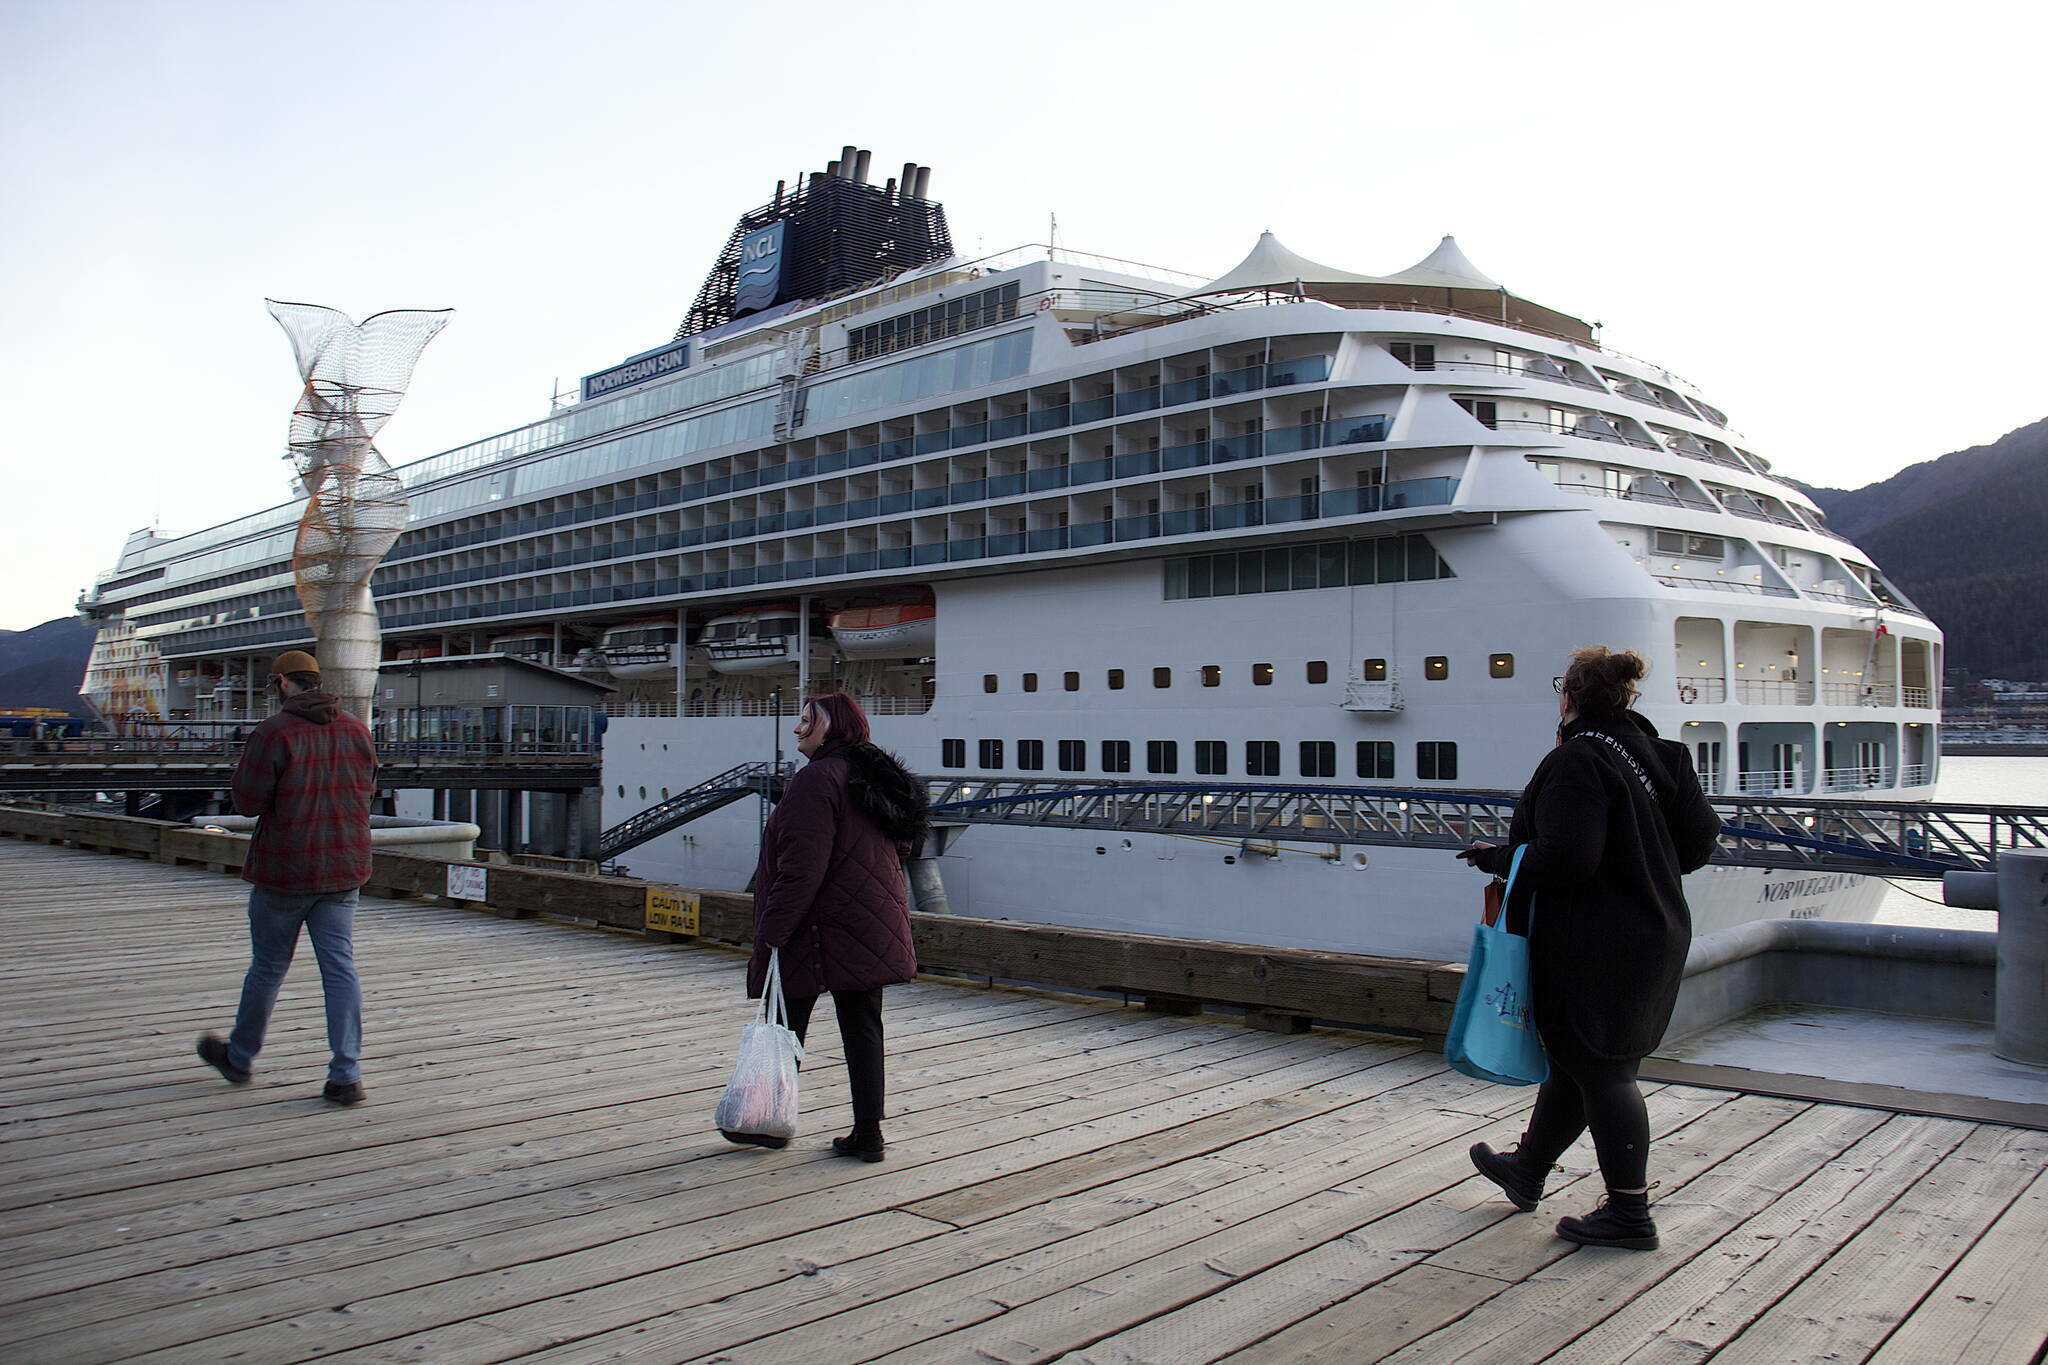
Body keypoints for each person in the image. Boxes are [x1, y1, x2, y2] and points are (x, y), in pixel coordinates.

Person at [1457, 646, 1720, 1250]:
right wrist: (1638, 868)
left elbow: (1569, 858)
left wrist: (1495, 858)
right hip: (1655, 927)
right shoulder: (1664, 756)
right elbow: (1698, 844)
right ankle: (1527, 1170)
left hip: (1591, 939)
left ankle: (1630, 1214)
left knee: (1604, 1071)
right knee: (1582, 1061)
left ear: (1570, 697)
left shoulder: (1579, 760)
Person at [733, 692, 928, 1160]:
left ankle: (767, 1121)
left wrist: (772, 931)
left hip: (817, 924)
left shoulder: (816, 780)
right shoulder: (873, 778)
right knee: (863, 1026)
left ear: (833, 728)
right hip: (869, 920)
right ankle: (869, 1135)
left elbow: (802, 868)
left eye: (807, 722)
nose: (798, 729)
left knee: (784, 1021)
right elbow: (901, 847)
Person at [195, 650, 379, 1105]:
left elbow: (247, 802)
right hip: (343, 867)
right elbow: (368, 790)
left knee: (269, 967)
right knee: (340, 969)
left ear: (281, 684)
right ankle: (346, 1074)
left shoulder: (274, 731)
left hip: (285, 869)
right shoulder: (357, 729)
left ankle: (239, 1058)